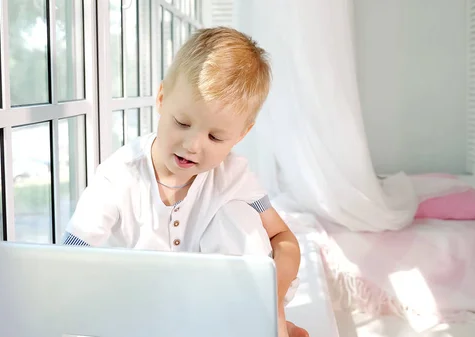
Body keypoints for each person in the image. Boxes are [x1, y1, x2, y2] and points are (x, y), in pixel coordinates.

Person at [62, 26, 308, 337]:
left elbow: (283, 238)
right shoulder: (119, 176)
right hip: (139, 311)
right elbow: (68, 262)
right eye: (182, 123)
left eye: (215, 137)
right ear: (162, 99)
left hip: (207, 310)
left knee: (238, 216)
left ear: (241, 134)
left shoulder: (231, 175)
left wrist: (271, 300)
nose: (192, 145)